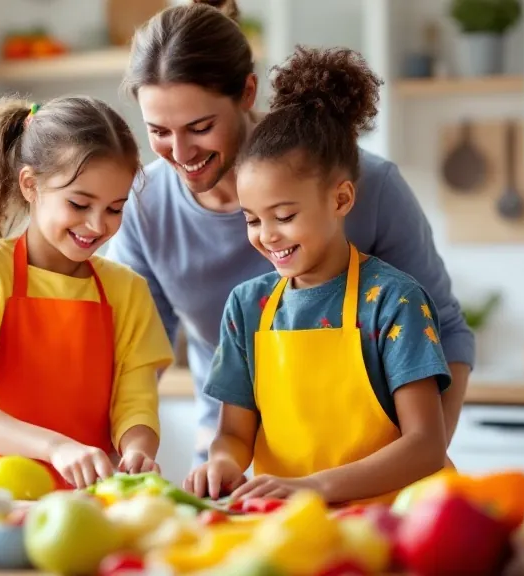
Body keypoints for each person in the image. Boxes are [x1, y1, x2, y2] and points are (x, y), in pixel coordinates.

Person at [107, 0, 474, 470]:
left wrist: (419, 462)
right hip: (237, 468)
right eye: (158, 131)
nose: (180, 153)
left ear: (247, 92)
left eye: (200, 127)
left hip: (375, 474)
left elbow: (445, 330)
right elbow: (136, 356)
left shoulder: (367, 186)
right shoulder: (143, 205)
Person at [182, 46, 451, 506]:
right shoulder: (247, 307)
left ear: (341, 199)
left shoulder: (393, 300)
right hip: (291, 526)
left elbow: (426, 444)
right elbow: (233, 433)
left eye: (283, 215)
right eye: (251, 219)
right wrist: (223, 462)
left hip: (388, 526)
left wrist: (315, 487)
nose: (267, 236)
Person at [0, 96, 174, 490]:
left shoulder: (126, 290)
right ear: (31, 185)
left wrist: (136, 449)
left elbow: (136, 404)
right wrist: (55, 447)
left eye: (115, 208)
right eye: (79, 203)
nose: (97, 225)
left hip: (82, 506)